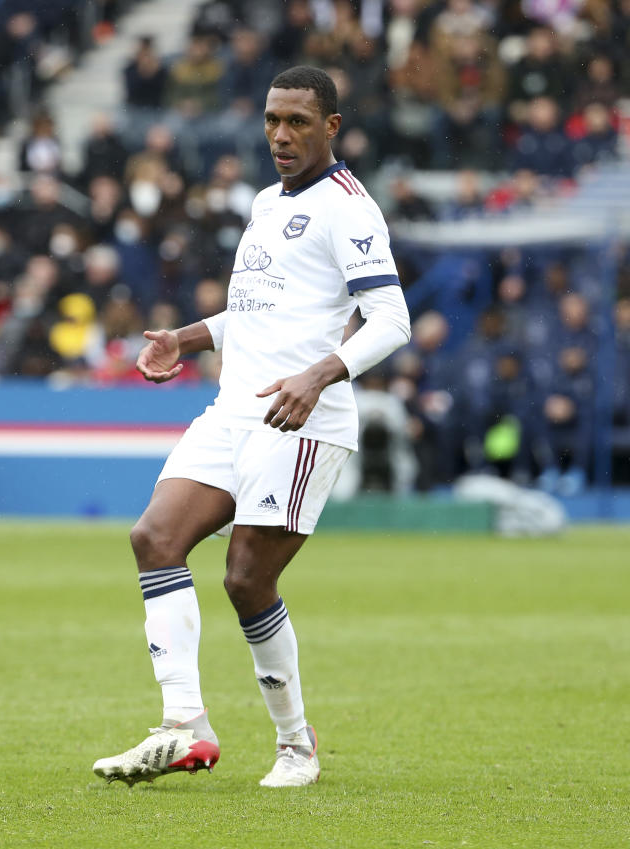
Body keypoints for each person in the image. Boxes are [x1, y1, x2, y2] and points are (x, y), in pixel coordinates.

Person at [92, 67, 410, 789]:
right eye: (272, 120)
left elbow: (392, 321)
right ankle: (185, 728)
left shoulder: (350, 209)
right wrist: (187, 337)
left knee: (245, 578)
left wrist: (318, 374)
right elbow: (264, 313)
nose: (281, 135)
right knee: (155, 537)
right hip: (235, 407)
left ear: (331, 126)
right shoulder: (267, 202)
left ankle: (296, 744)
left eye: (298, 121)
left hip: (302, 422)